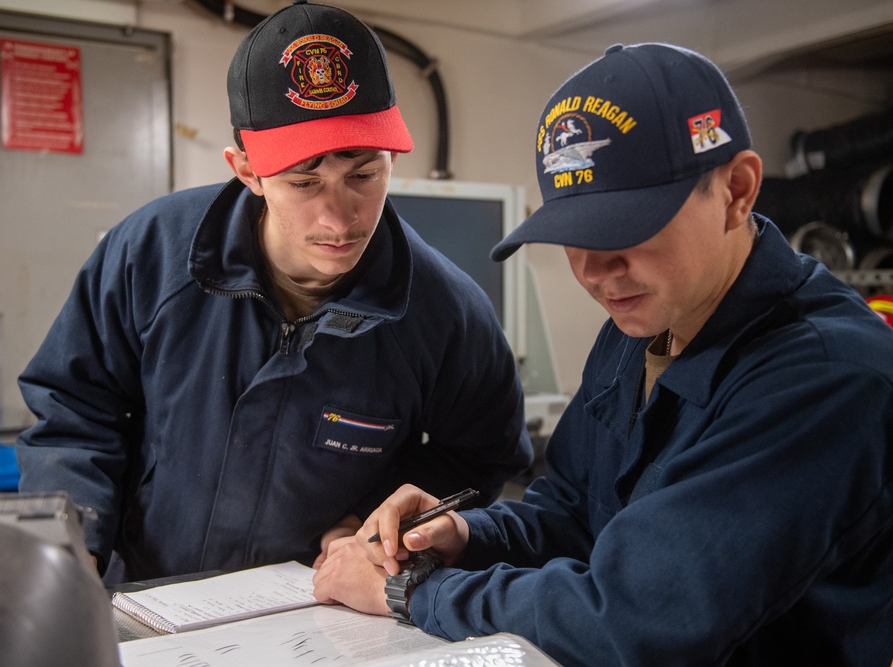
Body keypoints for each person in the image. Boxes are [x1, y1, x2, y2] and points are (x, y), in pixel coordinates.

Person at [312, 43, 893, 666]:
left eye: (626, 228)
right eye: (573, 235)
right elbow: (573, 511)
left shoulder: (827, 376)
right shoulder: (642, 321)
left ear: (737, 191)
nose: (596, 272)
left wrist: (409, 590)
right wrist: (464, 535)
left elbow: (640, 615)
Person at [15, 0, 532, 584]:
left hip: (319, 618)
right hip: (141, 597)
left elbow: (483, 457)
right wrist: (73, 543)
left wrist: (369, 520)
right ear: (246, 169)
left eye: (364, 175)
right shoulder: (153, 253)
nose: (339, 219)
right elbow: (74, 409)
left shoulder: (446, 313)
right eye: (304, 182)